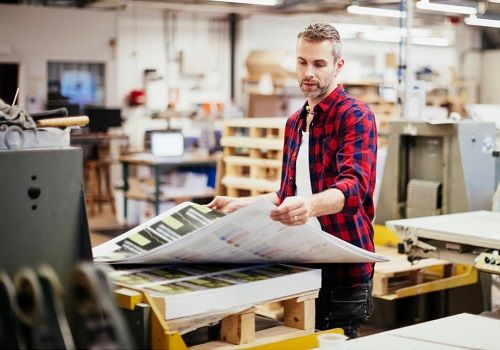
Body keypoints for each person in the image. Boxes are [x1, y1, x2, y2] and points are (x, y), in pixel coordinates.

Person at [208, 22, 377, 338]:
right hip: (301, 262)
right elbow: (287, 193)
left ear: (338, 66)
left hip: (342, 267)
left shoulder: (355, 116)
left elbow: (354, 189)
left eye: (319, 64)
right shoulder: (294, 123)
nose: (308, 72)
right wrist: (240, 203)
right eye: (302, 62)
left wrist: (309, 206)